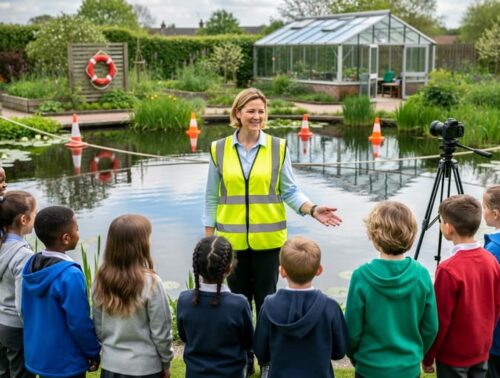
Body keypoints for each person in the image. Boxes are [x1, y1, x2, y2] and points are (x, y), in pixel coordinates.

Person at [345, 201, 438, 378]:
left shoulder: (361, 276)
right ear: (411, 234)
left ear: (374, 234)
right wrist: (415, 354)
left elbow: (352, 329)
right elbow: (430, 327)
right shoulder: (422, 275)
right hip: (408, 368)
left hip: (369, 367)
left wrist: (355, 356)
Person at [422, 194, 500, 378]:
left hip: (453, 356)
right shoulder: (491, 260)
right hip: (481, 351)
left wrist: (428, 356)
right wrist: (486, 339)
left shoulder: (448, 270)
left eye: (441, 220)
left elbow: (440, 319)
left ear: (448, 228)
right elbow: (496, 306)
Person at [21, 206, 101, 378]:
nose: (79, 232)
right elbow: (79, 322)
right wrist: (93, 351)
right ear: (65, 238)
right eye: (77, 229)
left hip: (42, 356)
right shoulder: (70, 275)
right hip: (66, 361)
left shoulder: (32, 264)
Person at [253, 236, 348, 378]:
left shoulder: (268, 306)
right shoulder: (331, 307)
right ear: (319, 270)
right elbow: (339, 352)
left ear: (282, 271)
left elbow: (261, 351)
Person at [92, 214, 173, 378]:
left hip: (111, 366)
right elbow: (161, 332)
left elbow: (98, 328)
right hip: (146, 368)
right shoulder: (152, 283)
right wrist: (166, 362)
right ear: (141, 245)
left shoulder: (100, 280)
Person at [177, 236, 253, 378]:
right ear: (229, 268)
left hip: (195, 373)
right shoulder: (239, 304)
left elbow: (183, 335)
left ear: (197, 268)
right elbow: (248, 342)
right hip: (231, 373)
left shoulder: (184, 300)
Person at [0, 191, 36, 378]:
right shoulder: (24, 255)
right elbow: (23, 303)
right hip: (16, 327)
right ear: (24, 219)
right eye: (34, 213)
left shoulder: (2, 244)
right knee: (21, 373)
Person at [483, 186, 500, 378]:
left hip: (496, 339)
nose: (482, 212)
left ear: (495, 214)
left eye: (484, 208)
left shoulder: (493, 251)